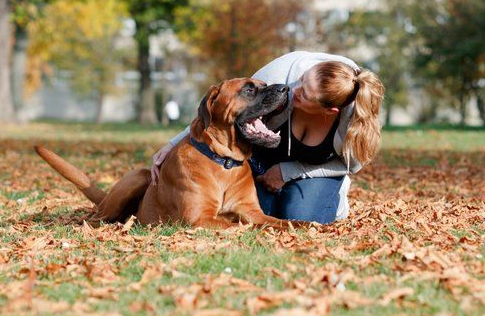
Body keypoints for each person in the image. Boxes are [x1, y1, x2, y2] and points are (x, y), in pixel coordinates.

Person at [150, 51, 384, 224]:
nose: (293, 90)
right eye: (301, 80)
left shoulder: (354, 115)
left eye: (303, 94)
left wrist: (288, 172)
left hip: (314, 170)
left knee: (301, 217)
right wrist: (173, 144)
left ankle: (335, 196)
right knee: (262, 214)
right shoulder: (280, 74)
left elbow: (351, 164)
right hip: (264, 163)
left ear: (329, 111)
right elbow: (221, 110)